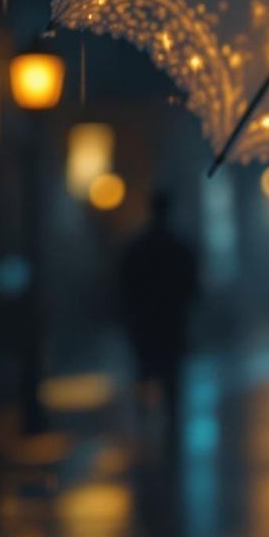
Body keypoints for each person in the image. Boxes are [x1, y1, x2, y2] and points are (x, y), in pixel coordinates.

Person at [117, 187, 201, 459]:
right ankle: (170, 433)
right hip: (171, 324)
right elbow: (193, 288)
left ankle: (144, 428)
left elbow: (123, 287)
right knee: (171, 380)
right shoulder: (179, 248)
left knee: (144, 373)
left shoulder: (138, 247)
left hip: (145, 324)